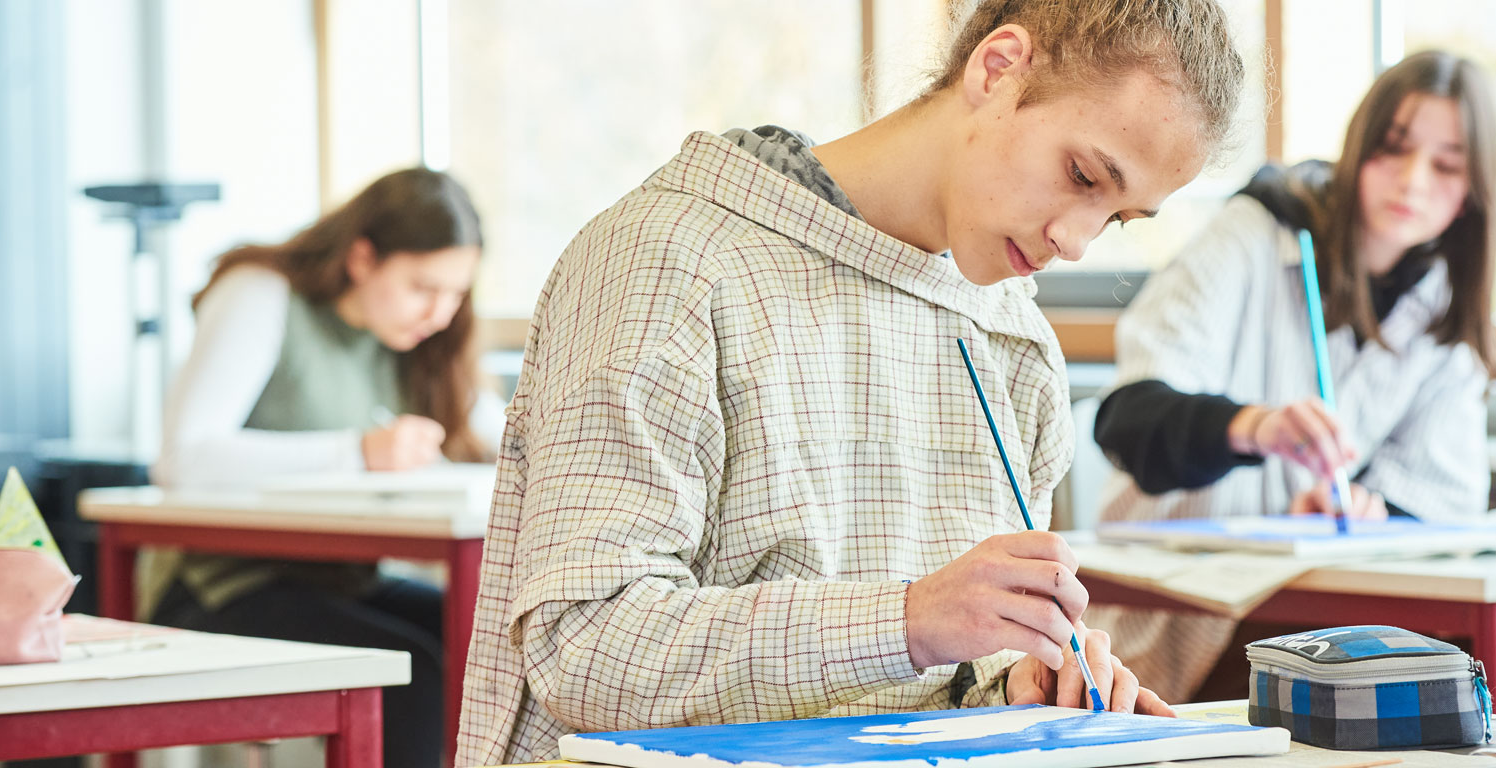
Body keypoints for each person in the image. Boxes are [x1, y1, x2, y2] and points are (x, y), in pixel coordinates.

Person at [453, 1, 1246, 763]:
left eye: (1115, 218)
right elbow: (585, 651)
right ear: (998, 69)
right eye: (1081, 175)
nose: (1076, 242)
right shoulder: (665, 262)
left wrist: (1014, 687)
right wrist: (909, 621)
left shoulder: (1012, 343)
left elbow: (934, 684)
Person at [1088, 50, 1496, 701]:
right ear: (1356, 151)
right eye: (1393, 150)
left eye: (1447, 165)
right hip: (1187, 626)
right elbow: (1128, 422)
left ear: (1472, 194)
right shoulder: (1255, 235)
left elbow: (1440, 502)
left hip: (1324, 614)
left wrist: (1369, 513)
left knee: (1451, 672)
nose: (1413, 181)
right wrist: (1253, 427)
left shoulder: (1443, 309)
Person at [149, 167, 504, 768]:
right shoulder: (262, 293)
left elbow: (502, 430)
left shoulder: (415, 342)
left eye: (455, 293)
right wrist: (359, 453)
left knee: (489, 645)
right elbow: (182, 458)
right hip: (221, 589)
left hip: (339, 582)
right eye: (423, 286)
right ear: (363, 258)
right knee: (414, 672)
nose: (440, 313)